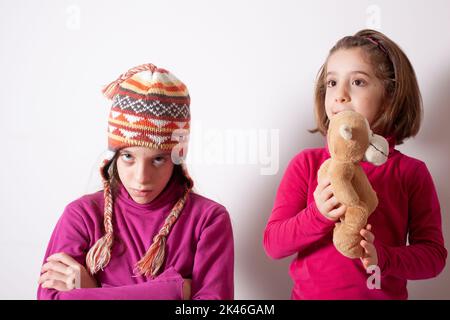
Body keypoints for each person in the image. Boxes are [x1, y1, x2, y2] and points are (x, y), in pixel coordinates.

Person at [263, 29, 447, 299]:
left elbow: (434, 257)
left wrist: (384, 257)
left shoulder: (411, 173)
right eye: (332, 83)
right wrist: (318, 214)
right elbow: (273, 244)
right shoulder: (306, 164)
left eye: (358, 82)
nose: (340, 95)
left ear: (390, 95)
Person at [37, 63, 234, 300]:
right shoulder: (81, 216)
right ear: (114, 156)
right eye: (128, 156)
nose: (141, 178)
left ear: (177, 157)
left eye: (158, 159)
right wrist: (174, 290)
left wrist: (92, 292)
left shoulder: (208, 220)